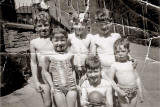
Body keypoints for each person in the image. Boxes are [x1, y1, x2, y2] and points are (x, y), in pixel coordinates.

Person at [42, 29, 77, 107]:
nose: (59, 43)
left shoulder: (70, 54)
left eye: (62, 40)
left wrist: (74, 82)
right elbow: (45, 71)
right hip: (57, 89)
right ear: (51, 41)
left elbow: (73, 69)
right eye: (56, 40)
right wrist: (51, 85)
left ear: (66, 40)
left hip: (71, 87)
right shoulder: (49, 55)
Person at [30, 10, 55, 107]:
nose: (43, 28)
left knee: (59, 101)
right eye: (40, 26)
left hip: (56, 74)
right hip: (42, 77)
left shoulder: (55, 39)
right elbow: (33, 62)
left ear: (50, 26)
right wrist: (36, 81)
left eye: (46, 25)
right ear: (35, 27)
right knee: (47, 103)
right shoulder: (34, 42)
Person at [109, 38, 144, 107]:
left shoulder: (131, 63)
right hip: (122, 91)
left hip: (134, 91)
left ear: (128, 51)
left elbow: (137, 78)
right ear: (114, 52)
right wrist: (118, 90)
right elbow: (110, 79)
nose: (120, 54)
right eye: (118, 52)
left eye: (123, 51)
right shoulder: (115, 65)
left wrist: (141, 92)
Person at [91, 9, 121, 80]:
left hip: (117, 69)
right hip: (103, 70)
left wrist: (131, 59)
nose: (104, 27)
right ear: (96, 24)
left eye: (106, 23)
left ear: (111, 22)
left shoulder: (116, 36)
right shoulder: (95, 38)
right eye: (101, 24)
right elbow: (92, 56)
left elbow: (124, 50)